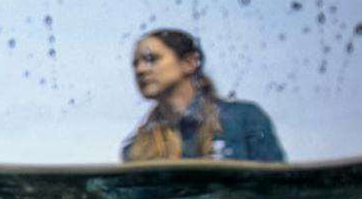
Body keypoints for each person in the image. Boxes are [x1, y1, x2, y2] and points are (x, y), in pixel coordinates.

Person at [121, 28, 286, 162]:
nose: (140, 70)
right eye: (135, 63)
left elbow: (277, 189)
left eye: (151, 59)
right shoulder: (135, 148)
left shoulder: (244, 119)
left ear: (189, 63)